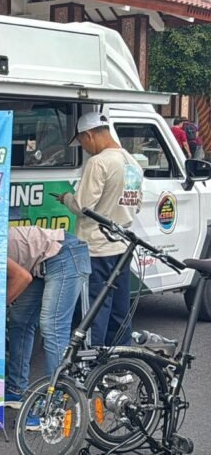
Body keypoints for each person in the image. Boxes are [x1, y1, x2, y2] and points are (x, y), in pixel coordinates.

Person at [57, 112, 143, 348]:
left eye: (82, 142)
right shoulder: (132, 163)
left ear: (89, 135)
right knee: (119, 309)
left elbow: (82, 206)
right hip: (122, 247)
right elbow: (136, 205)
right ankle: (121, 359)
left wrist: (66, 198)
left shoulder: (99, 163)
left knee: (94, 308)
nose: (84, 149)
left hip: (96, 248)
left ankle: (93, 361)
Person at [4, 226, 91, 408]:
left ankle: (53, 405)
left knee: (53, 327)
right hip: (41, 263)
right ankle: (15, 390)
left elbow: (22, 277)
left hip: (65, 254)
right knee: (20, 320)